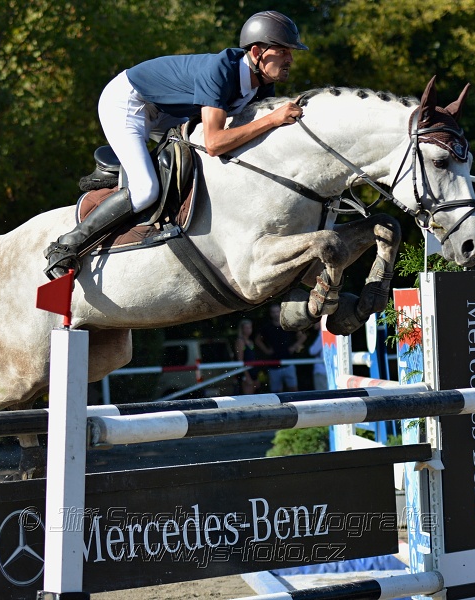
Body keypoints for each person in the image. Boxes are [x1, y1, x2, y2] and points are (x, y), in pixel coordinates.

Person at [44, 11, 308, 279]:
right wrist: (274, 119)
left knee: (198, 162)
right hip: (129, 102)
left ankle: (119, 174)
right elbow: (215, 142)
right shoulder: (222, 71)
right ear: (256, 52)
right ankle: (68, 244)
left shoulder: (261, 86)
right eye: (283, 51)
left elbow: (237, 139)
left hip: (164, 110)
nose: (290, 59)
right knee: (146, 190)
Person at [255, 304, 306, 392]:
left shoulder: (288, 325)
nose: (275, 314)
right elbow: (257, 340)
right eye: (273, 312)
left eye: (277, 311)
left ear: (281, 312)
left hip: (288, 362)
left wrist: (294, 347)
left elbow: (302, 336)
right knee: (276, 391)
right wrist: (266, 350)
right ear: (270, 314)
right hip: (274, 363)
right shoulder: (267, 327)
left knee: (293, 389)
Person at [235, 318, 259, 395]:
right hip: (246, 372)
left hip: (253, 371)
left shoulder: (250, 341)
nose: (249, 330)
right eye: (246, 328)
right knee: (248, 397)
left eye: (250, 327)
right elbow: (240, 361)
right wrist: (247, 376)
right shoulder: (240, 341)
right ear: (242, 329)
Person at [309, 322, 328, 390]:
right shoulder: (329, 333)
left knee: (322, 397)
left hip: (321, 371)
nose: (313, 323)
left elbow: (312, 351)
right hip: (328, 370)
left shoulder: (323, 334)